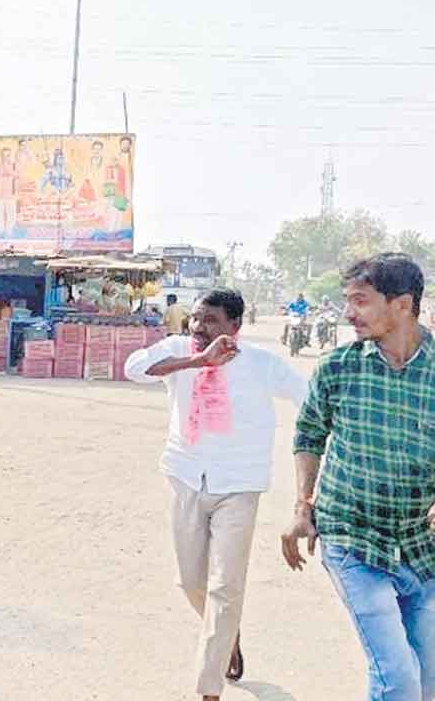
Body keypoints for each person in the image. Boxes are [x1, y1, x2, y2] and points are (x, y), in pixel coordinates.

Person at [282, 254, 435, 701]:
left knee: (426, 684)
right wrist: (302, 506)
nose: (348, 313)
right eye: (346, 301)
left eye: (360, 301)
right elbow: (309, 435)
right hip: (351, 539)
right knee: (399, 682)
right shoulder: (337, 368)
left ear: (402, 305)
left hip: (418, 546)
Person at [125, 288, 307, 701]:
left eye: (211, 321)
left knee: (225, 585)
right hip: (186, 476)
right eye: (196, 319)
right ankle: (227, 634)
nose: (199, 328)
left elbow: (308, 396)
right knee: (190, 579)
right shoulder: (178, 349)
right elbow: (134, 368)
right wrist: (196, 361)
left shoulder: (260, 364)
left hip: (239, 485)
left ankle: (210, 688)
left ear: (235, 327)